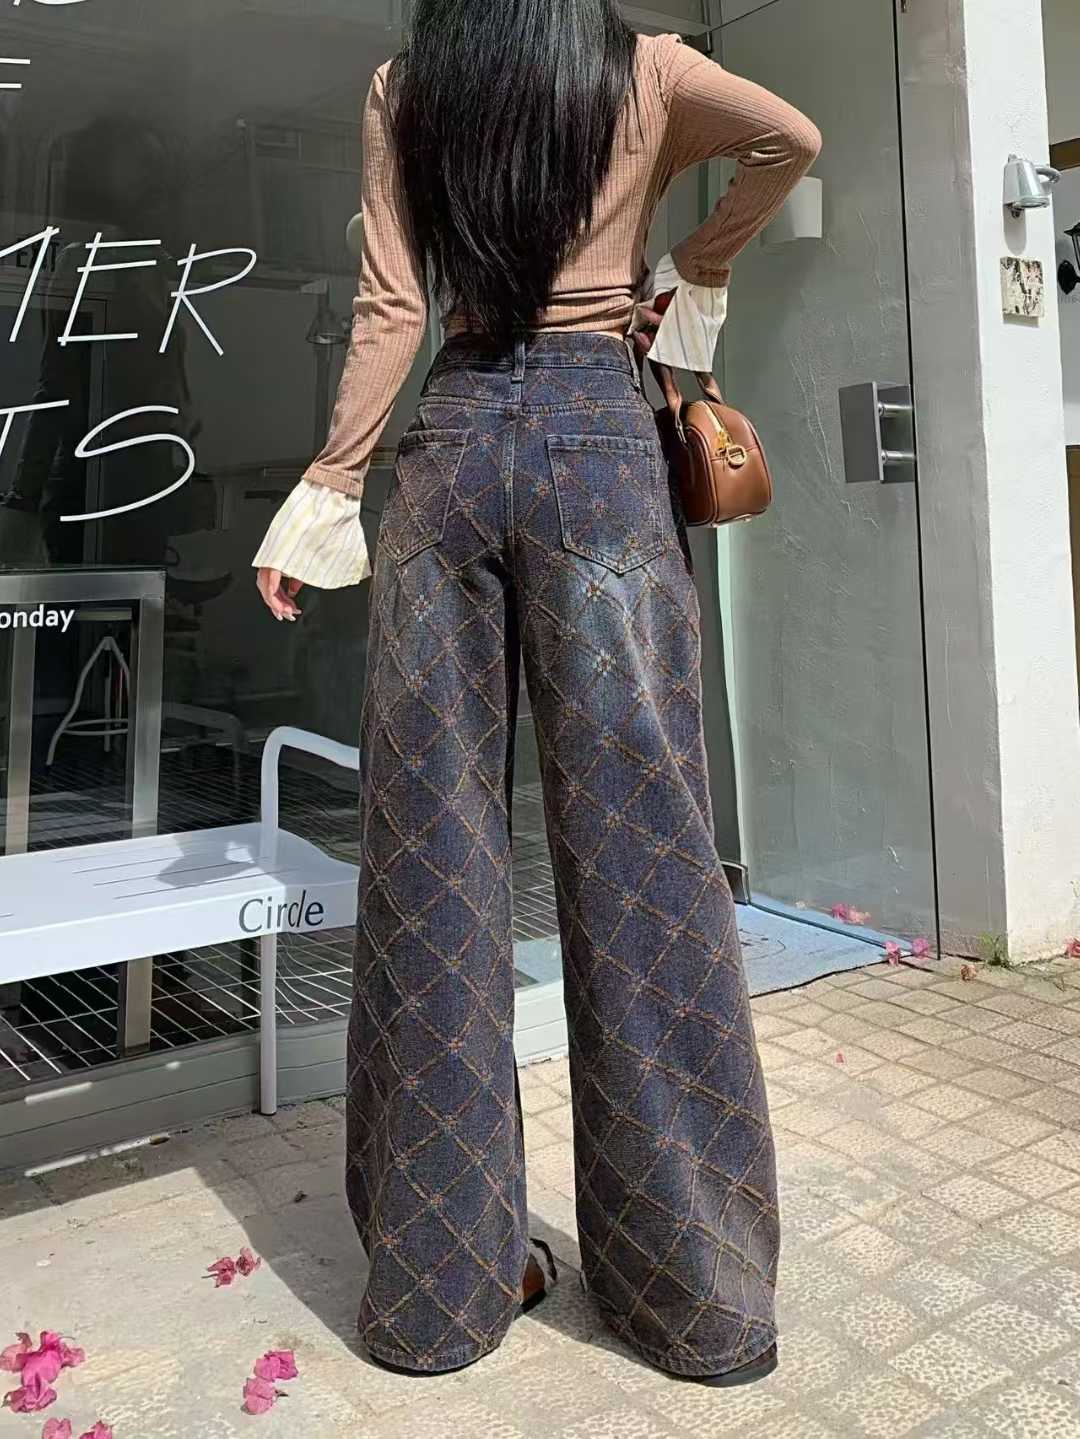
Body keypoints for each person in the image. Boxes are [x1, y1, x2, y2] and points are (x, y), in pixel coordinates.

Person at [252, 0, 820, 1386]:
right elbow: (790, 141)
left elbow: (395, 306)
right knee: (647, 859)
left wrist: (329, 484)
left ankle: (439, 1294)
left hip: (451, 445)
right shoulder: (649, 68)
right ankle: (691, 1300)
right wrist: (693, 263)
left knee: (430, 859)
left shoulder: (411, 83)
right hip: (597, 446)